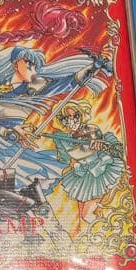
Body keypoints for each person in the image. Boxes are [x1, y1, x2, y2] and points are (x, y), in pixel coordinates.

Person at [50, 100, 124, 237]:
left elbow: (114, 148)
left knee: (88, 214)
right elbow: (66, 160)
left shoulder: (91, 129)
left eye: (75, 117)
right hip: (82, 176)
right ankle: (89, 237)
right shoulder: (63, 138)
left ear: (81, 115)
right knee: (82, 216)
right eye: (66, 119)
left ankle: (110, 233)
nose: (72, 122)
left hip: (99, 171)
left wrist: (102, 145)